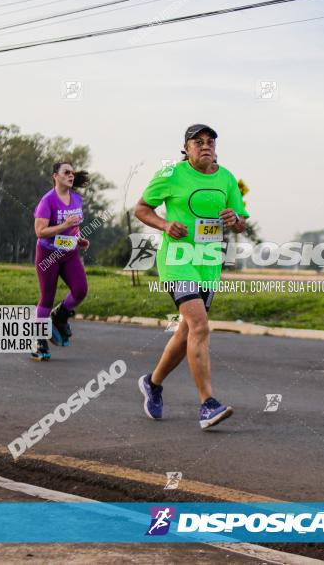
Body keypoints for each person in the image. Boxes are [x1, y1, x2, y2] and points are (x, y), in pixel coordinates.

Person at [135, 124, 248, 429]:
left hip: (208, 262)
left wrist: (235, 218)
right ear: (185, 148)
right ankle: (207, 404)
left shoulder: (226, 178)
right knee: (199, 324)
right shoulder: (171, 174)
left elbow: (241, 223)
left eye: (210, 141)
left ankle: (153, 383)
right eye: (197, 142)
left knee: (186, 330)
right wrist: (164, 224)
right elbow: (142, 208)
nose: (205, 146)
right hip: (177, 260)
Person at [30, 162, 91, 361]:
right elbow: (40, 232)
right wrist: (64, 225)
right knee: (47, 297)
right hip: (48, 254)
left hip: (69, 252)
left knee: (80, 290)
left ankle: (60, 315)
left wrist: (78, 237)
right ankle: (39, 340)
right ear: (55, 176)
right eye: (66, 172)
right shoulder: (47, 201)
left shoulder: (76, 198)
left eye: (72, 173)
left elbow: (74, 226)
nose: (71, 176)